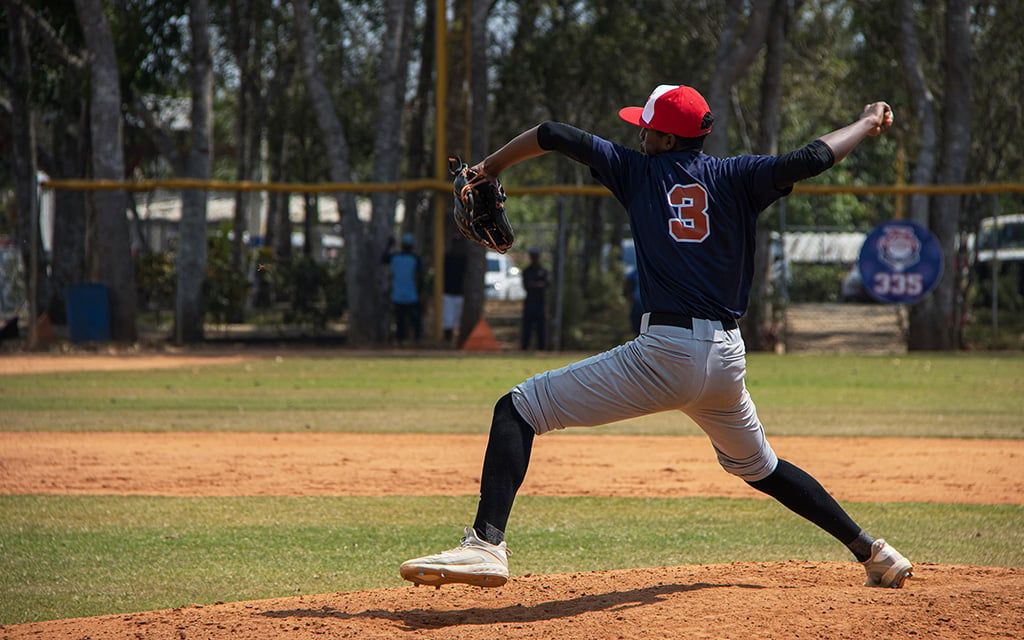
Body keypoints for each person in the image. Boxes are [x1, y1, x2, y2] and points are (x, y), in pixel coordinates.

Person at [400, 85, 912, 589]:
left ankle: (485, 546)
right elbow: (815, 155)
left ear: (668, 141)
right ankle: (874, 552)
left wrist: (486, 169)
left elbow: (552, 133)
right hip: (725, 361)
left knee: (518, 408)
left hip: (666, 354)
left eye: (647, 130)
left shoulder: (638, 172)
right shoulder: (738, 176)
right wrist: (867, 122)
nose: (641, 136)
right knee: (761, 467)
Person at [382, 232, 422, 345]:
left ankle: (401, 340)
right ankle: (415, 339)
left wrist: (389, 246)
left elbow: (383, 258)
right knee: (414, 320)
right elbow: (420, 276)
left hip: (398, 295)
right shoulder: (415, 259)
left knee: (400, 321)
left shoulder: (395, 257)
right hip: (411, 295)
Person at [520, 248, 549, 350]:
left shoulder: (543, 270)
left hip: (540, 302)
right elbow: (527, 285)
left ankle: (542, 348)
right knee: (527, 326)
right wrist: (538, 285)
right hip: (530, 302)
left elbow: (546, 284)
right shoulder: (527, 271)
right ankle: (524, 347)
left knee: (541, 327)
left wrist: (535, 285)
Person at [443, 237, 468, 345]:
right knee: (448, 320)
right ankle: (448, 341)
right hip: (448, 293)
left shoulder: (464, 259)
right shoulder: (447, 258)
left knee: (456, 321)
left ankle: (455, 341)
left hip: (459, 293)